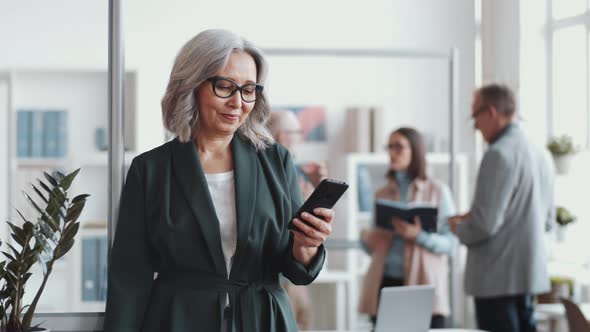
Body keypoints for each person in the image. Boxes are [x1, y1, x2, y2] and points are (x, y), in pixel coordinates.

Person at [103, 29, 335, 332]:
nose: (238, 102)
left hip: (263, 321)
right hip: (177, 320)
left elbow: (295, 270)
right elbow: (130, 278)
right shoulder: (151, 169)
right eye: (225, 86)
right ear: (193, 85)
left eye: (249, 89)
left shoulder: (276, 161)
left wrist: (307, 246)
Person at [448, 84, 554, 332]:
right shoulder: (541, 154)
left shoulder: (498, 154)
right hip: (527, 276)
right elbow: (546, 220)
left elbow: (484, 226)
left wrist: (457, 226)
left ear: (492, 112)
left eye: (475, 115)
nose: (474, 125)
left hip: (495, 279)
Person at [358, 127, 458, 329]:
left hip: (423, 285)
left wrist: (418, 236)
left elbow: (452, 244)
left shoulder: (437, 191)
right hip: (386, 282)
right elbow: (371, 249)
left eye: (399, 146)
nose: (392, 152)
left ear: (415, 151)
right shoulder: (382, 193)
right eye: (389, 146)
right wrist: (367, 239)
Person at [268, 109, 328, 330]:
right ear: (284, 136)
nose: (300, 137)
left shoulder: (294, 169)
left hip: (296, 267)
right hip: (279, 272)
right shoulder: (277, 169)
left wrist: (315, 188)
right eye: (297, 132)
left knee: (302, 317)